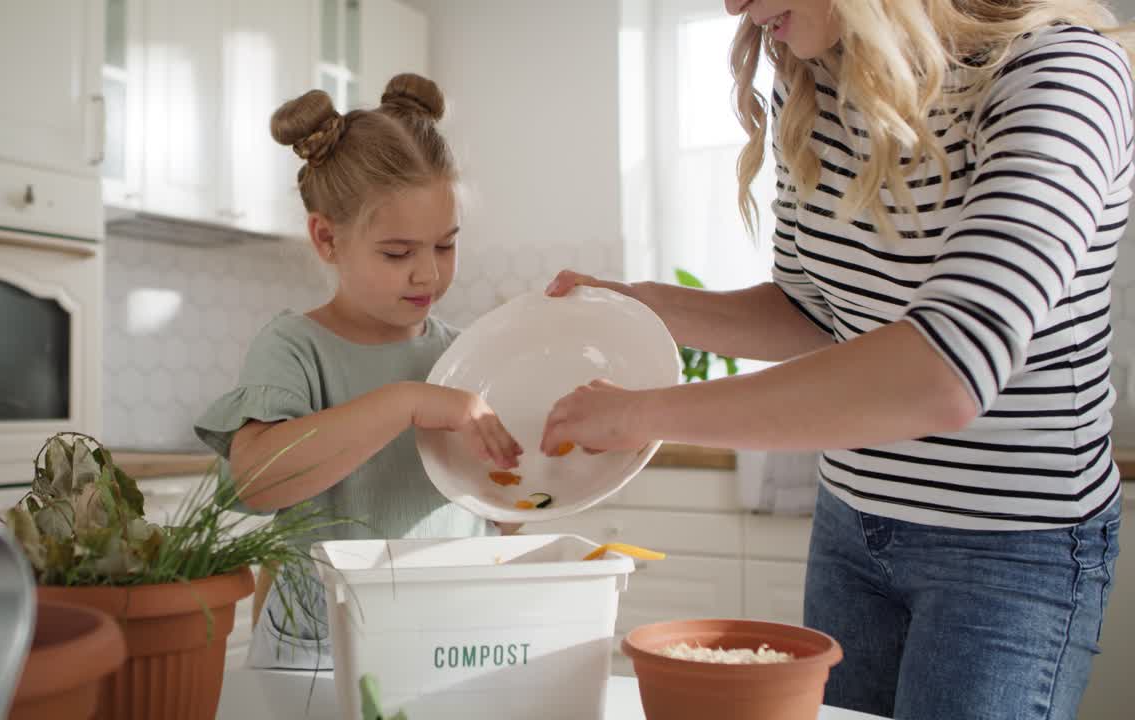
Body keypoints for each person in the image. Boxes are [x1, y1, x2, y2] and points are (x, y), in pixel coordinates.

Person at [541, 2, 1130, 718]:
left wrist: (642, 414)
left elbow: (944, 372)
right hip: (852, 527)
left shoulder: (1059, 74)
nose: (732, 5)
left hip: (1010, 547)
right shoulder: (812, 78)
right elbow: (817, 313)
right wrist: (634, 306)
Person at [195, 73, 521, 669]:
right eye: (398, 253)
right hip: (319, 650)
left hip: (449, 640)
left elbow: (498, 514)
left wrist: (535, 479)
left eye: (445, 246)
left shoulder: (466, 356)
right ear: (326, 238)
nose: (428, 274)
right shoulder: (295, 348)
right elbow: (255, 481)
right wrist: (406, 402)